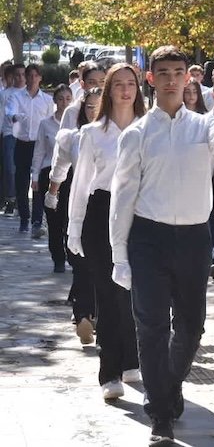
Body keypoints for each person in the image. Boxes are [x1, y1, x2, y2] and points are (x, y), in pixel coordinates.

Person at [108, 45, 214, 445]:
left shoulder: (202, 126)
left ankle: (168, 387)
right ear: (151, 79)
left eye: (179, 72)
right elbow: (122, 197)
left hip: (193, 238)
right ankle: (160, 413)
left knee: (192, 326)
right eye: (164, 73)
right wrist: (119, 255)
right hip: (148, 238)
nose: (172, 80)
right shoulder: (137, 134)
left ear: (188, 78)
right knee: (152, 327)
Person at [67, 64, 146, 401]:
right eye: (119, 85)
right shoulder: (92, 133)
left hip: (141, 214)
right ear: (109, 90)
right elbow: (81, 183)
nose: (125, 91)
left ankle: (132, 359)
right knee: (109, 294)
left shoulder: (149, 129)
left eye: (131, 84)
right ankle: (109, 371)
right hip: (101, 213)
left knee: (134, 295)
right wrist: (74, 228)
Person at [49, 87, 102, 345]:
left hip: (108, 206)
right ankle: (83, 315)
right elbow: (59, 167)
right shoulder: (73, 137)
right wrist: (52, 193)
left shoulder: (123, 135)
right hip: (78, 203)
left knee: (104, 264)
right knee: (81, 262)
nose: (94, 111)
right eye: (89, 107)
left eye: (99, 106)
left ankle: (99, 316)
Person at [7, 63, 54, 235]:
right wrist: (16, 117)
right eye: (30, 75)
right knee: (22, 183)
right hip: (23, 144)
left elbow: (51, 121)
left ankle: (37, 221)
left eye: (36, 75)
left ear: (40, 78)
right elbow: (10, 112)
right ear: (26, 77)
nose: (33, 79)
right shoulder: (17, 97)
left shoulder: (47, 100)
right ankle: (24, 218)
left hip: (40, 145)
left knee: (38, 183)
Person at [32, 84, 73, 272]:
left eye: (68, 99)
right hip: (48, 173)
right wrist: (34, 176)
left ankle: (73, 255)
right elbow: (39, 151)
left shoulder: (77, 122)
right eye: (61, 99)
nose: (64, 102)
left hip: (71, 175)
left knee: (69, 218)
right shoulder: (45, 124)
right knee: (54, 219)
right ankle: (58, 258)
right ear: (55, 101)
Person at [0, 64, 20, 215]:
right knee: (9, 168)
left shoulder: (26, 93)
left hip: (24, 136)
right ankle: (10, 198)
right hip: (8, 134)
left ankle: (18, 198)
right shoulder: (4, 94)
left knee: (20, 169)